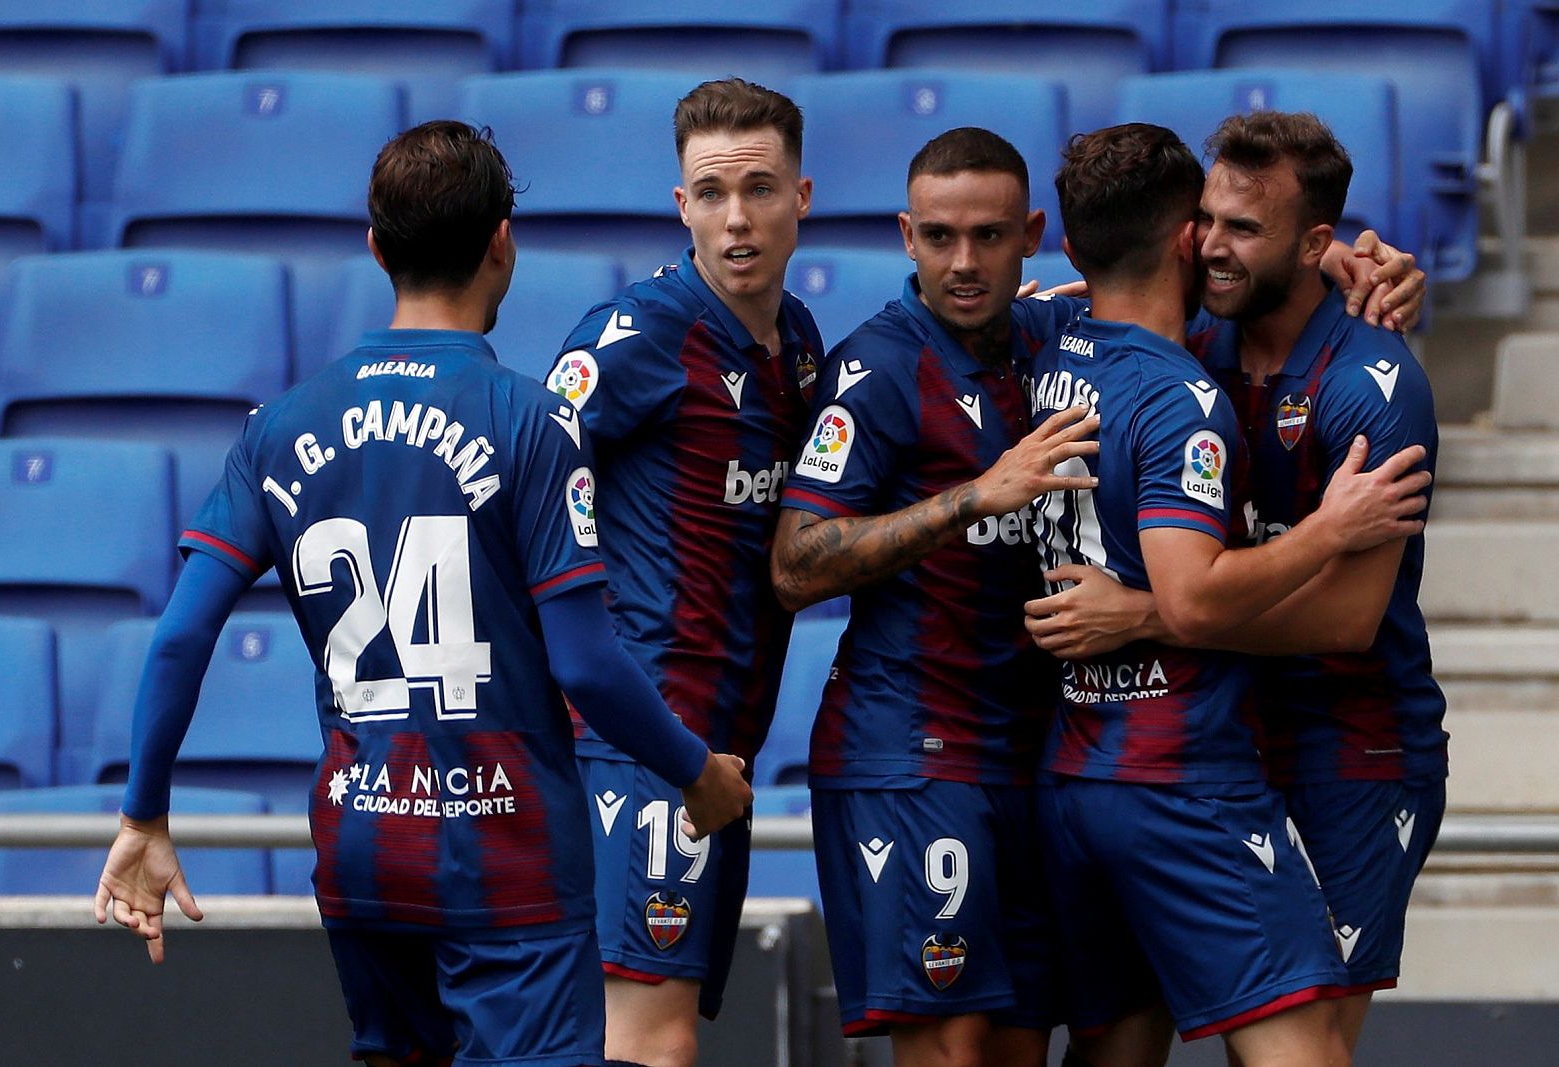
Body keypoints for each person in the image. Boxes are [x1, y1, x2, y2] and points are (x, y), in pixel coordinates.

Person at [93, 120, 752, 1067]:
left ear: (376, 249)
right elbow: (587, 664)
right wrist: (696, 770)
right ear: (501, 241)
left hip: (365, 854)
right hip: (509, 862)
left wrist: (144, 813)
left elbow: (180, 637)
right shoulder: (531, 421)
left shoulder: (278, 427)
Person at [1025, 111, 1446, 1061]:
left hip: (1352, 747)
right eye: (1207, 219)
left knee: (1306, 1042)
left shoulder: (1376, 384)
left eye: (1244, 231)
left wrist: (1145, 611)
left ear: (1315, 246)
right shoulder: (1195, 344)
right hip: (1219, 739)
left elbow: (1345, 618)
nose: (1210, 245)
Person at [767, 126, 1099, 1067]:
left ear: (1032, 232)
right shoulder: (875, 370)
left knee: (1019, 1046)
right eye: (941, 236)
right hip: (911, 752)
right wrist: (971, 497)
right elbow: (794, 565)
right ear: (905, 234)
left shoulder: (1051, 340)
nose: (965, 262)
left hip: (1030, 753)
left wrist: (1365, 275)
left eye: (990, 236)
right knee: (947, 1047)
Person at [541, 78, 824, 1067]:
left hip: (718, 746)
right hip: (642, 738)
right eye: (711, 192)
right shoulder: (633, 338)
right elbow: (520, 486)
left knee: (632, 1030)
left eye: (758, 188)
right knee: (647, 1040)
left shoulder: (797, 344)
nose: (735, 217)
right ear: (681, 205)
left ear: (802, 196)